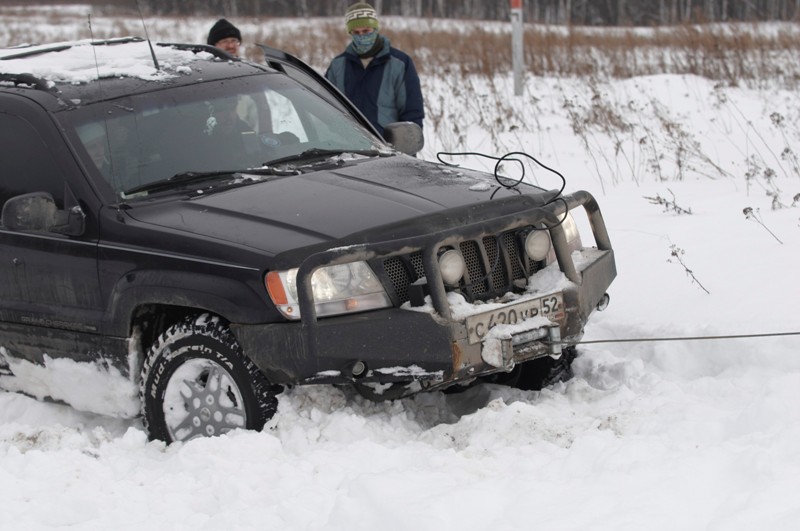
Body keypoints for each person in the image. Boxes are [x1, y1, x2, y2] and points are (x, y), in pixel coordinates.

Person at [325, 3, 424, 137]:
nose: (361, 36)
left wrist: (408, 142)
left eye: (366, 31)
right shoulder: (338, 65)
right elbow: (326, 108)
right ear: (350, 33)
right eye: (356, 32)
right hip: (348, 144)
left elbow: (412, 112)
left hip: (386, 145)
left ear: (375, 29)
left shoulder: (400, 64)